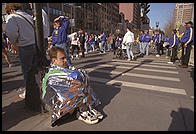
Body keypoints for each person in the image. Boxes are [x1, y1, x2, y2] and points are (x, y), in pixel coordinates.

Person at [42, 46, 103, 125]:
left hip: (60, 98)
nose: (65, 60)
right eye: (62, 58)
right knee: (78, 85)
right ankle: (82, 110)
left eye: (65, 57)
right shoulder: (53, 73)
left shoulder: (62, 68)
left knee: (80, 82)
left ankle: (85, 107)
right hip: (53, 103)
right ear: (54, 60)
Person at [5, 3, 36, 98]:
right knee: (35, 69)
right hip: (34, 44)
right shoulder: (28, 15)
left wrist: (14, 43)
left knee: (27, 71)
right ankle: (37, 89)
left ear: (10, 10)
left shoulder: (12, 17)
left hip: (24, 45)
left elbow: (11, 34)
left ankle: (30, 92)